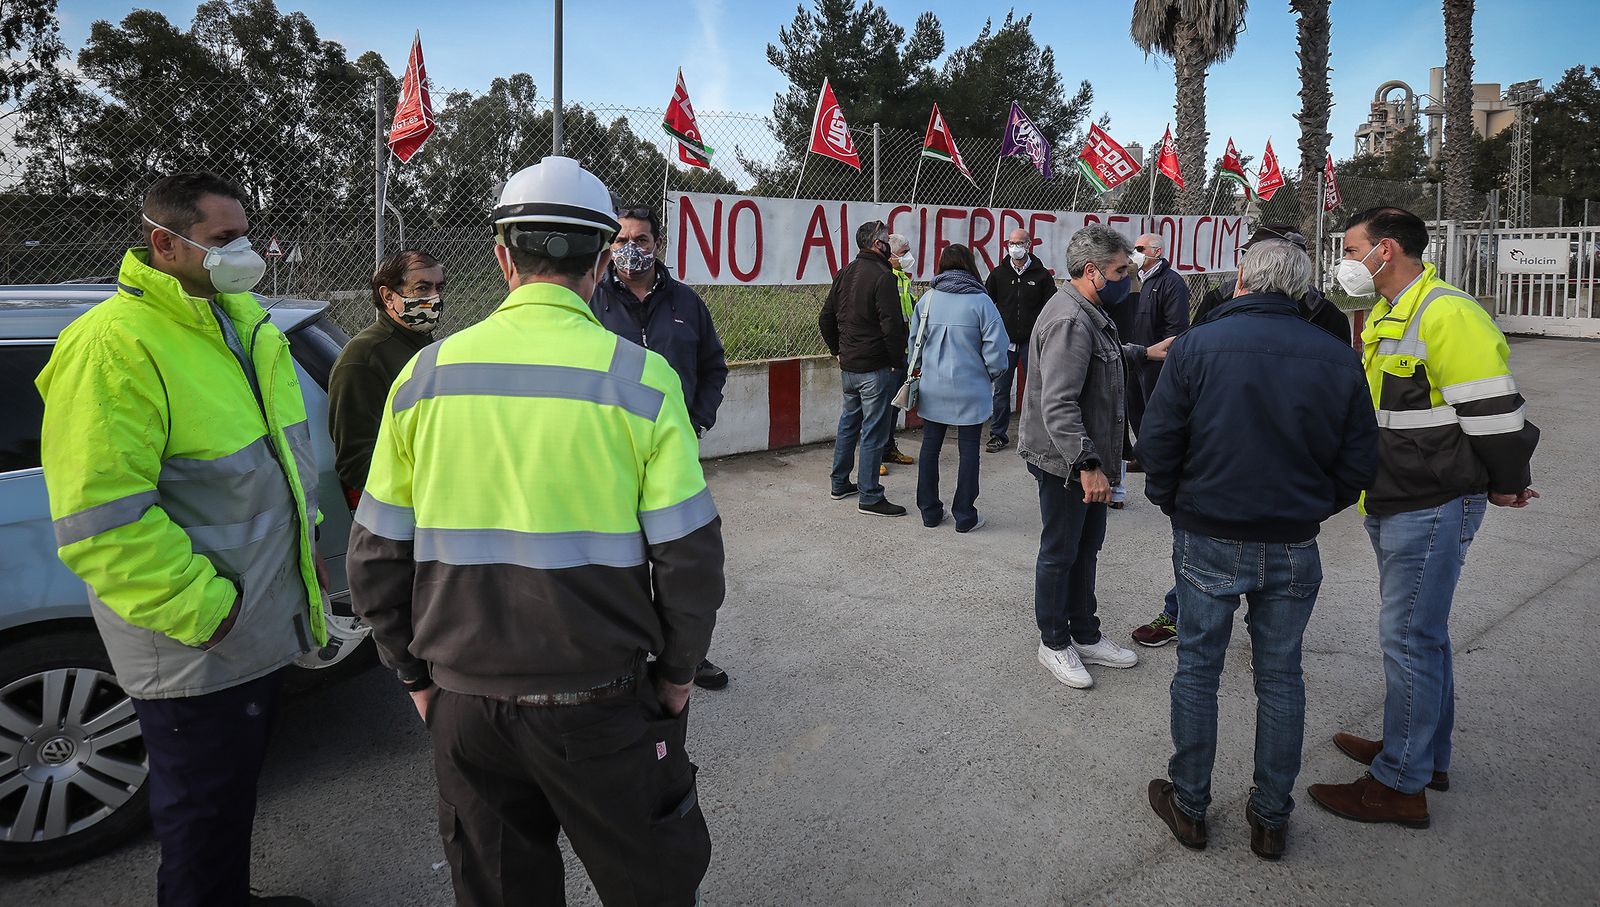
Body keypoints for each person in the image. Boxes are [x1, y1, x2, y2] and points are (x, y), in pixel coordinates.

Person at [348, 156, 723, 906]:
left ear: (500, 255)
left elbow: (375, 560)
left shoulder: (423, 378)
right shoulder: (643, 381)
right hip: (602, 704)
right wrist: (678, 674)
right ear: (600, 257)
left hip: (465, 705)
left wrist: (414, 675)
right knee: (651, 882)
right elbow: (690, 562)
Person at [36, 172, 322, 907]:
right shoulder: (112, 347)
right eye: (225, 240)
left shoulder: (236, 318)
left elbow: (271, 469)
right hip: (194, 639)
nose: (245, 253)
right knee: (198, 816)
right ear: (165, 243)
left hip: (248, 622)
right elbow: (105, 524)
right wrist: (211, 612)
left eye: (246, 236)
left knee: (226, 802)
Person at [1135, 238, 1378, 861]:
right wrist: (1312, 507)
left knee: (1197, 671)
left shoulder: (1195, 347)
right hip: (1292, 540)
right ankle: (1269, 817)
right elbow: (1357, 462)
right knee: (1281, 677)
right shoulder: (1337, 355)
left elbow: (1158, 440)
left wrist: (1175, 502)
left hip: (1210, 533)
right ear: (1299, 290)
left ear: (1242, 279)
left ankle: (1190, 804)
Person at [1309, 206, 1541, 829]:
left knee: (1409, 638)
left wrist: (1508, 483)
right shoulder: (1389, 313)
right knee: (1423, 636)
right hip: (1396, 494)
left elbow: (1493, 410)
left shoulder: (1447, 312)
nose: (1346, 260)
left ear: (1386, 250)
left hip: (1431, 501)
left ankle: (1398, 784)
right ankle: (1421, 754)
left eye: (1352, 248)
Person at [1130, 223, 1354, 648]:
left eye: (1253, 253)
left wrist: (1320, 501)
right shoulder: (1218, 301)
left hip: (1288, 483)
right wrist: (1172, 496)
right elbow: (1184, 381)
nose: (1245, 264)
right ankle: (1179, 612)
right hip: (1217, 472)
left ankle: (1261, 635)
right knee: (1202, 576)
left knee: (1269, 637)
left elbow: (1346, 421)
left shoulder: (1327, 317)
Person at [1018, 224, 1172, 690]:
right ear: (1092, 272)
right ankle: (1054, 641)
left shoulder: (1089, 311)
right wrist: (1086, 466)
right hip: (1067, 461)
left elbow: (1101, 355)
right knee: (1061, 552)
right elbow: (1059, 404)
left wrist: (1144, 352)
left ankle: (1084, 633)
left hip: (1090, 458)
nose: (1129, 278)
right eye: (1121, 270)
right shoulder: (1069, 318)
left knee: (1086, 549)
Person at [590, 202, 731, 691]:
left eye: (642, 240)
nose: (632, 249)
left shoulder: (686, 303)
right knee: (621, 557)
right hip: (609, 455)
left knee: (682, 561)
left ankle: (687, 657)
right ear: (609, 246)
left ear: (658, 244)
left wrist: (697, 421)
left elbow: (714, 366)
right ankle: (625, 654)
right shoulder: (592, 303)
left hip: (675, 454)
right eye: (622, 240)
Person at [910, 244, 1008, 532]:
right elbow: (997, 348)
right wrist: (990, 373)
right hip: (971, 387)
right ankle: (965, 515)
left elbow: (913, 342)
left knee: (930, 447)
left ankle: (929, 511)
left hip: (932, 386)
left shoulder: (927, 299)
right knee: (969, 450)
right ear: (970, 265)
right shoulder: (981, 302)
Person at [328, 249, 445, 491]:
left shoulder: (421, 342)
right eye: (422, 288)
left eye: (439, 288)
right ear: (388, 296)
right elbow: (357, 461)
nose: (435, 298)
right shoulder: (363, 357)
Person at [819, 219, 911, 517]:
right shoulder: (883, 276)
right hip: (875, 366)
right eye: (885, 239)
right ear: (876, 244)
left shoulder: (845, 273)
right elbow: (892, 325)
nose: (889, 244)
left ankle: (839, 482)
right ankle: (870, 495)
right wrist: (898, 361)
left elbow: (826, 318)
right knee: (873, 430)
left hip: (850, 366)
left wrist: (838, 351)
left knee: (849, 424)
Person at [1190, 224, 1352, 345]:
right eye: (1247, 257)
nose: (1247, 264)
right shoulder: (1220, 297)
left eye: (1258, 258)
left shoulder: (1323, 313)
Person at [983, 226, 1055, 453]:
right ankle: (998, 434)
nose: (1015, 248)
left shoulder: (1042, 276)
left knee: (1037, 388)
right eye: (1011, 243)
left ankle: (1037, 436)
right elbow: (986, 303)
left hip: (1032, 342)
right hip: (1005, 343)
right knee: (1001, 390)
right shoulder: (998, 274)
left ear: (1029, 245)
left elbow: (1051, 307)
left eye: (1019, 243)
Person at [1125, 232, 1190, 448]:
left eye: (1141, 249)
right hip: (1133, 355)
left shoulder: (1171, 283)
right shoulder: (1131, 280)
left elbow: (1177, 327)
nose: (1136, 254)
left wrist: (1161, 355)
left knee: (1157, 412)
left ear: (1157, 252)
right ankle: (1144, 452)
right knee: (1134, 408)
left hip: (1156, 361)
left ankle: (1159, 454)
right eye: (1135, 249)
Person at [881, 232, 918, 473]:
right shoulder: (885, 279)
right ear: (891, 255)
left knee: (895, 405)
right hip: (887, 354)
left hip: (904, 351)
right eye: (904, 253)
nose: (908, 257)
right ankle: (875, 456)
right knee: (881, 408)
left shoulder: (903, 279)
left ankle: (888, 448)